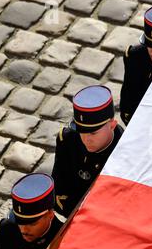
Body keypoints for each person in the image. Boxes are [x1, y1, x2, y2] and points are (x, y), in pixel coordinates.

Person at [52, 85, 124, 218]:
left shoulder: (124, 150)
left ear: (112, 125)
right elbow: (60, 188)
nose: (86, 139)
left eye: (93, 133)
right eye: (82, 132)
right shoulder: (68, 139)